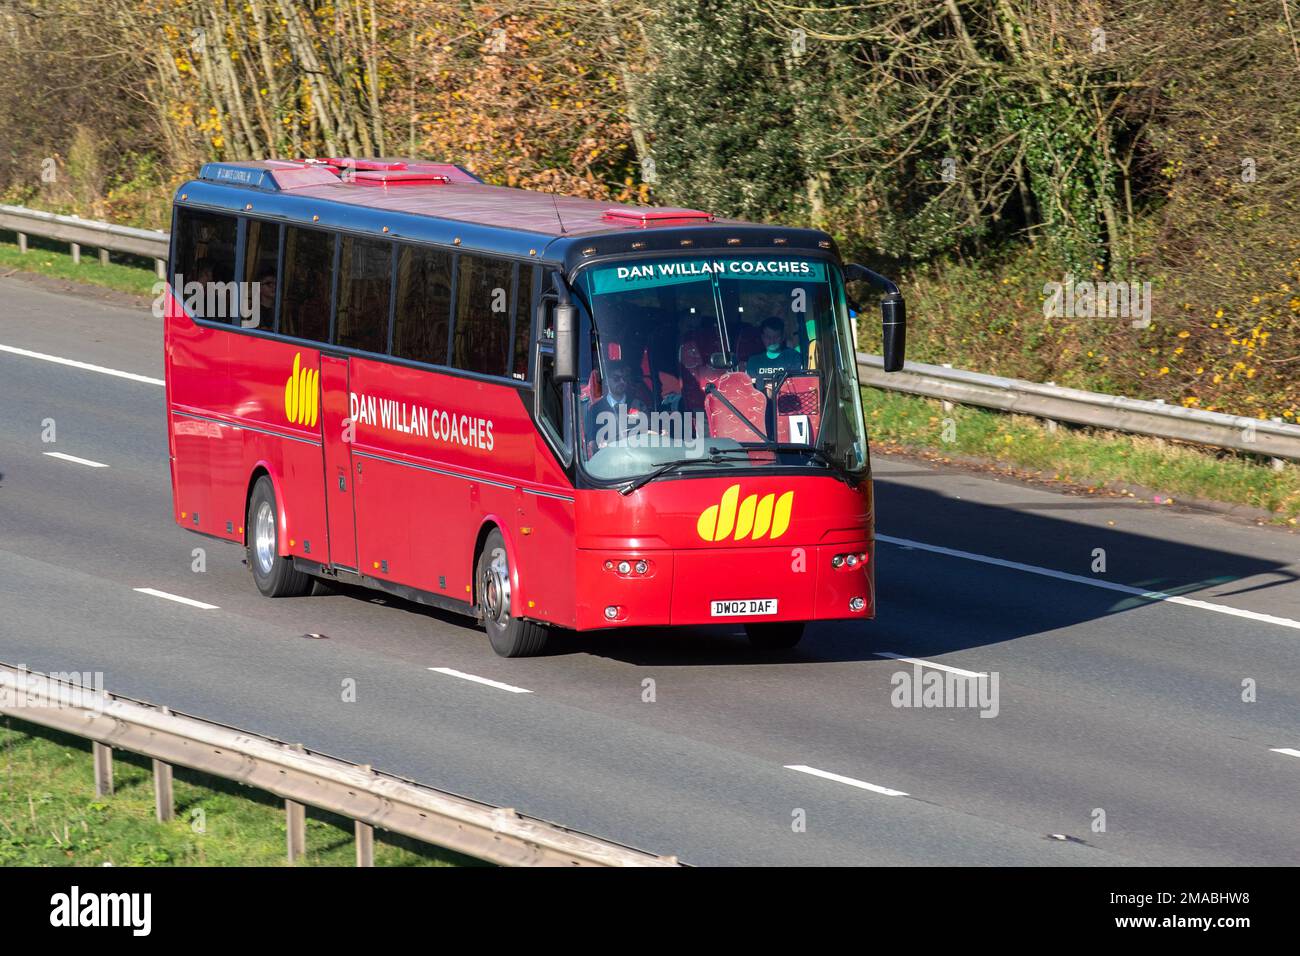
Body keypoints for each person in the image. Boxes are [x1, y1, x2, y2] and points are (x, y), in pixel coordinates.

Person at [584, 361, 651, 450]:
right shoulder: (595, 409)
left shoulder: (638, 404)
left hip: (637, 454)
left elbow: (649, 432)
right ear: (606, 381)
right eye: (616, 378)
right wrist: (600, 444)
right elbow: (591, 442)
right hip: (609, 456)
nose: (622, 382)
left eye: (624, 378)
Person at [746, 316, 802, 381]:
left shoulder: (793, 357)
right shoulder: (753, 361)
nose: (772, 341)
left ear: (782, 337)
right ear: (762, 337)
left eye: (776, 337)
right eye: (768, 337)